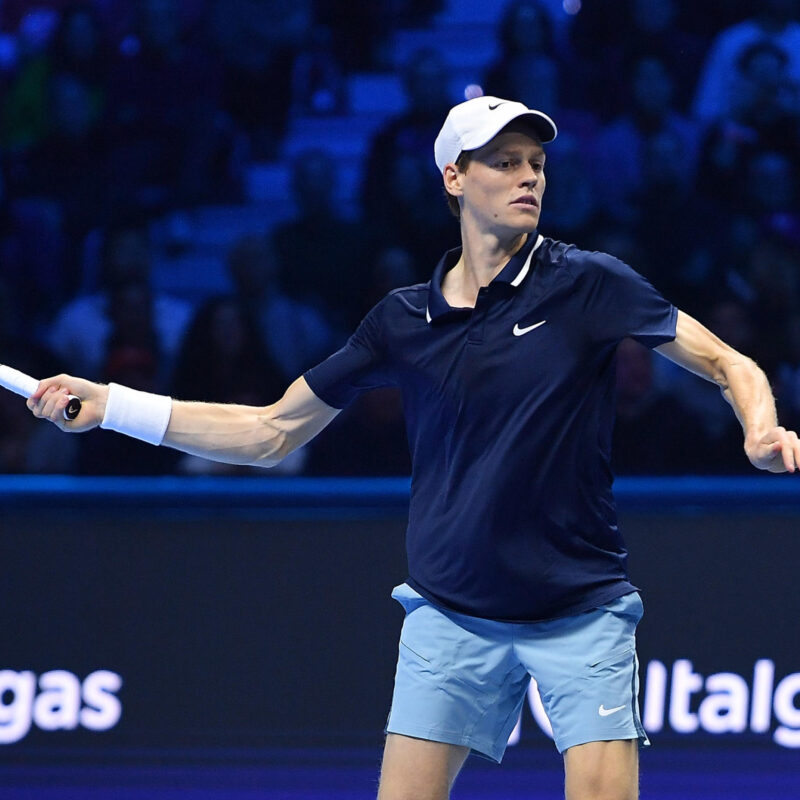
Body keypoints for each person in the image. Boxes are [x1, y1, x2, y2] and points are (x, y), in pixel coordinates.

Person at [23, 96, 800, 800]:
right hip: (450, 614)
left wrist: (759, 428)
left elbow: (727, 362)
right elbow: (268, 433)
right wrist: (114, 406)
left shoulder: (589, 283)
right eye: (504, 162)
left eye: (536, 163)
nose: (528, 177)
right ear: (453, 180)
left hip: (580, 611)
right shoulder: (399, 321)